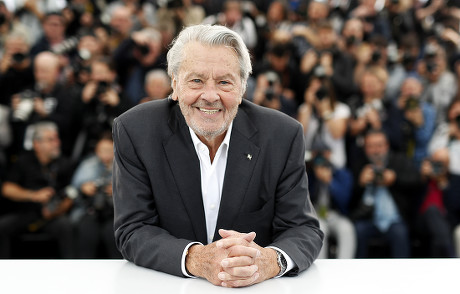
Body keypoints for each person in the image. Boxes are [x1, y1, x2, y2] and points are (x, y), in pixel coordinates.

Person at [112, 24, 323, 288]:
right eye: (196, 81)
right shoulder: (135, 131)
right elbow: (133, 229)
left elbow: (303, 229)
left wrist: (268, 262)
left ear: (243, 88)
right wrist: (196, 258)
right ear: (175, 85)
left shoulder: (282, 135)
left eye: (224, 82)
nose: (210, 96)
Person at [0, 121, 75, 258]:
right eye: (51, 140)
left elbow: (71, 195)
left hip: (52, 215)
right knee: (3, 226)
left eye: (57, 139)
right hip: (25, 212)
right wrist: (33, 195)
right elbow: (7, 189)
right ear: (37, 144)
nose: (56, 143)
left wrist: (56, 211)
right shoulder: (23, 161)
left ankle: (70, 270)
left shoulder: (64, 164)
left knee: (66, 226)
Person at [349, 129, 422, 258]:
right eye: (371, 146)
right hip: (368, 219)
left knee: (400, 233)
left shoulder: (399, 160)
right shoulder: (358, 164)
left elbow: (417, 182)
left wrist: (395, 179)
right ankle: (357, 275)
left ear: (387, 146)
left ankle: (403, 275)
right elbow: (348, 201)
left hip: (394, 220)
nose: (376, 151)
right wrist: (360, 184)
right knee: (358, 231)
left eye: (379, 145)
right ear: (365, 148)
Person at [70, 132, 121, 259]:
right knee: (87, 233)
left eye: (109, 150)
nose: (105, 154)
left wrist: (117, 190)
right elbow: (72, 191)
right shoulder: (88, 165)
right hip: (89, 211)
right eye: (102, 150)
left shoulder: (123, 164)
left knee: (113, 234)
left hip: (115, 213)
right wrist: (83, 188)